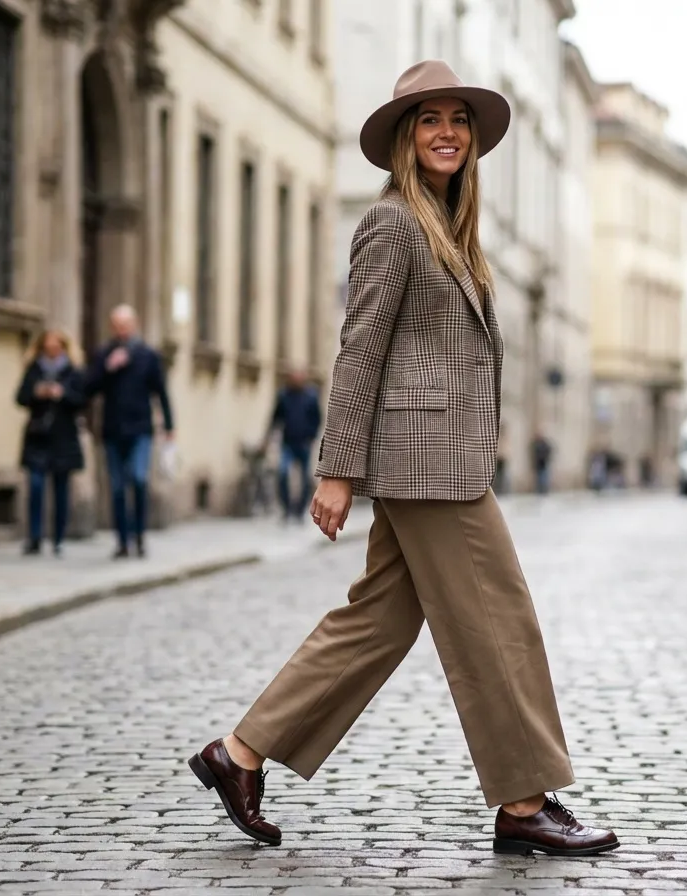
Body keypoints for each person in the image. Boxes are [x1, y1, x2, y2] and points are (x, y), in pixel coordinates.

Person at [187, 60, 617, 858]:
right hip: (424, 463)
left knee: (378, 622)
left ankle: (238, 754)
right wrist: (336, 467)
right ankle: (524, 803)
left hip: (442, 456)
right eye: (429, 119)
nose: (447, 131)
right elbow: (359, 348)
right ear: (404, 139)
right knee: (499, 619)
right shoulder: (392, 224)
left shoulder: (449, 231)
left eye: (458, 119)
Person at [84, 305, 174, 559]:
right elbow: (89, 388)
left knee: (138, 479)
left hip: (140, 429)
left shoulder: (147, 356)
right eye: (117, 324)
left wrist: (169, 426)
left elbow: (161, 392)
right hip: (112, 429)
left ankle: (140, 535)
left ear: (134, 325)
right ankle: (122, 541)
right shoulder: (104, 354)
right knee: (116, 487)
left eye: (125, 324)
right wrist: (107, 368)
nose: (121, 329)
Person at [16, 329, 88, 557]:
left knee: (60, 490)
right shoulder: (34, 368)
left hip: (63, 437)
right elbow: (20, 397)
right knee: (36, 486)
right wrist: (38, 392)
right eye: (48, 346)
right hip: (38, 436)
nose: (52, 350)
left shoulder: (73, 371)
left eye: (56, 347)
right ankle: (35, 537)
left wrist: (62, 394)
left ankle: (58, 538)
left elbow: (82, 399)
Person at [265, 367, 323, 523]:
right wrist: (268, 437)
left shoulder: (310, 396)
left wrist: (311, 436)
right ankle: (287, 508)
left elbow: (317, 418)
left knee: (304, 478)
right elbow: (275, 418)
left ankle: (299, 510)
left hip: (303, 443)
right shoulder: (284, 395)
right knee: (283, 474)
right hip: (288, 443)